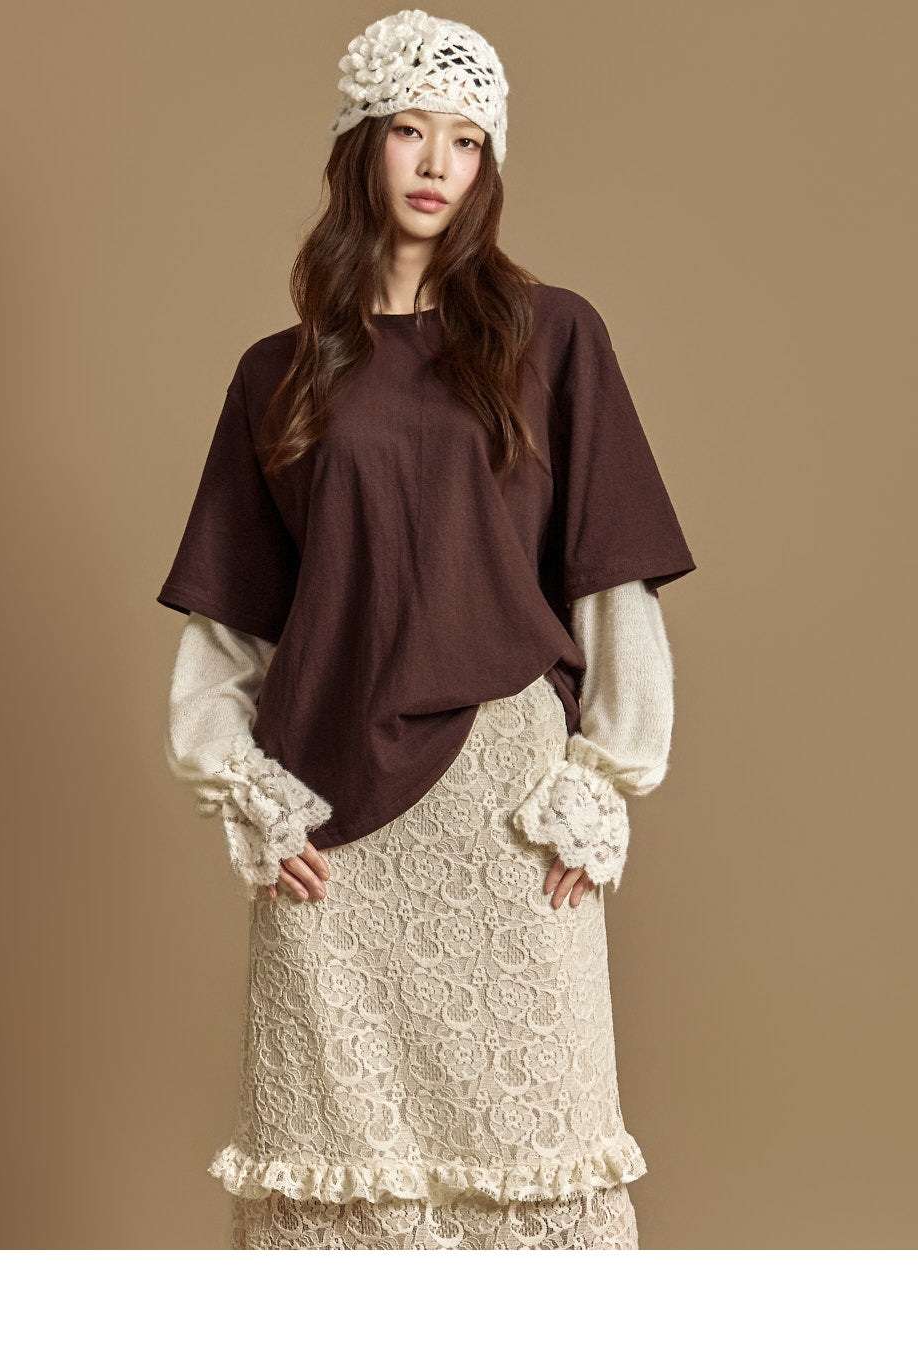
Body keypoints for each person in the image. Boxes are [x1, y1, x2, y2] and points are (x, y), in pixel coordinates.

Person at [156, 8, 696, 1250]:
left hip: (509, 809)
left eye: (466, 139)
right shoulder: (276, 374)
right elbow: (231, 621)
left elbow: (613, 578)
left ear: (488, 163)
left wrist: (602, 782)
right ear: (362, 145)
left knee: (537, 1165)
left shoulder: (555, 336)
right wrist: (249, 793)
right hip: (333, 822)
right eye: (410, 130)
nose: (438, 163)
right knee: (344, 1196)